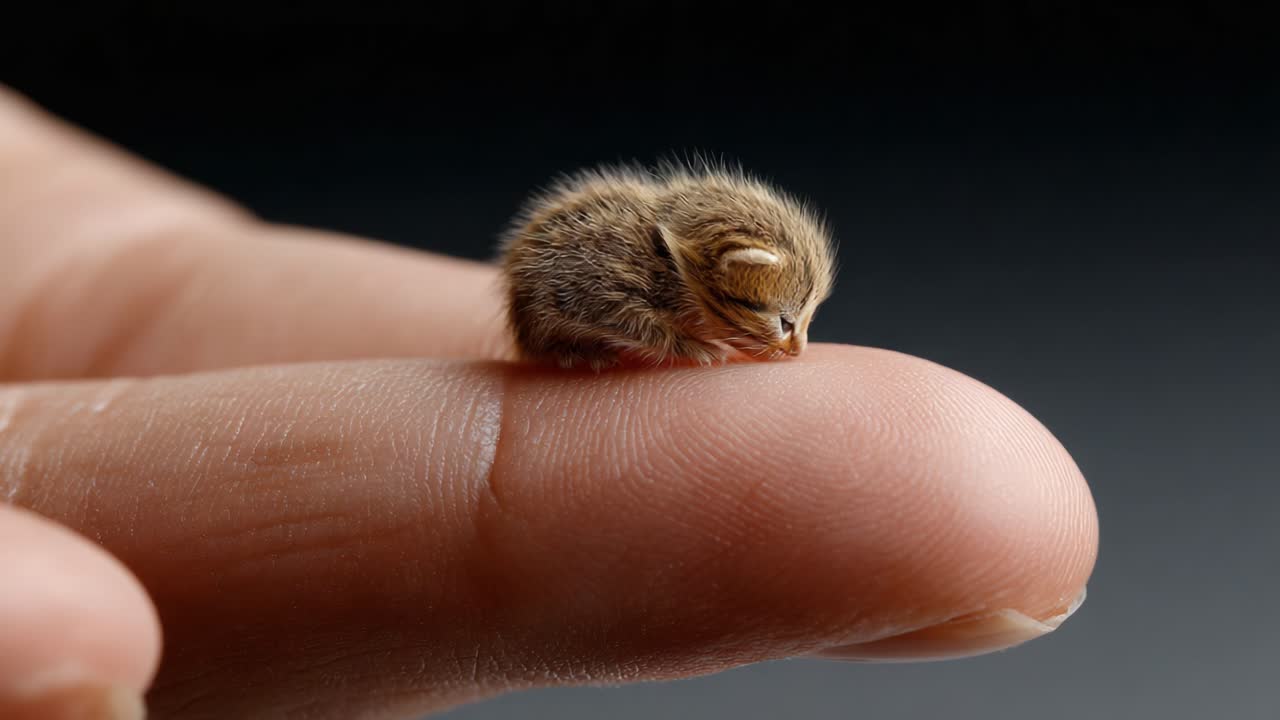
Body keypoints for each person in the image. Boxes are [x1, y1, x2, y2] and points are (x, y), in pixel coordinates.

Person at [0, 85, 1097, 720]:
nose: (792, 349)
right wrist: (674, 343)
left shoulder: (726, 259)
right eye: (771, 319)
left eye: (796, 321)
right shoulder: (628, 268)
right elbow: (568, 295)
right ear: (694, 273)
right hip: (570, 330)